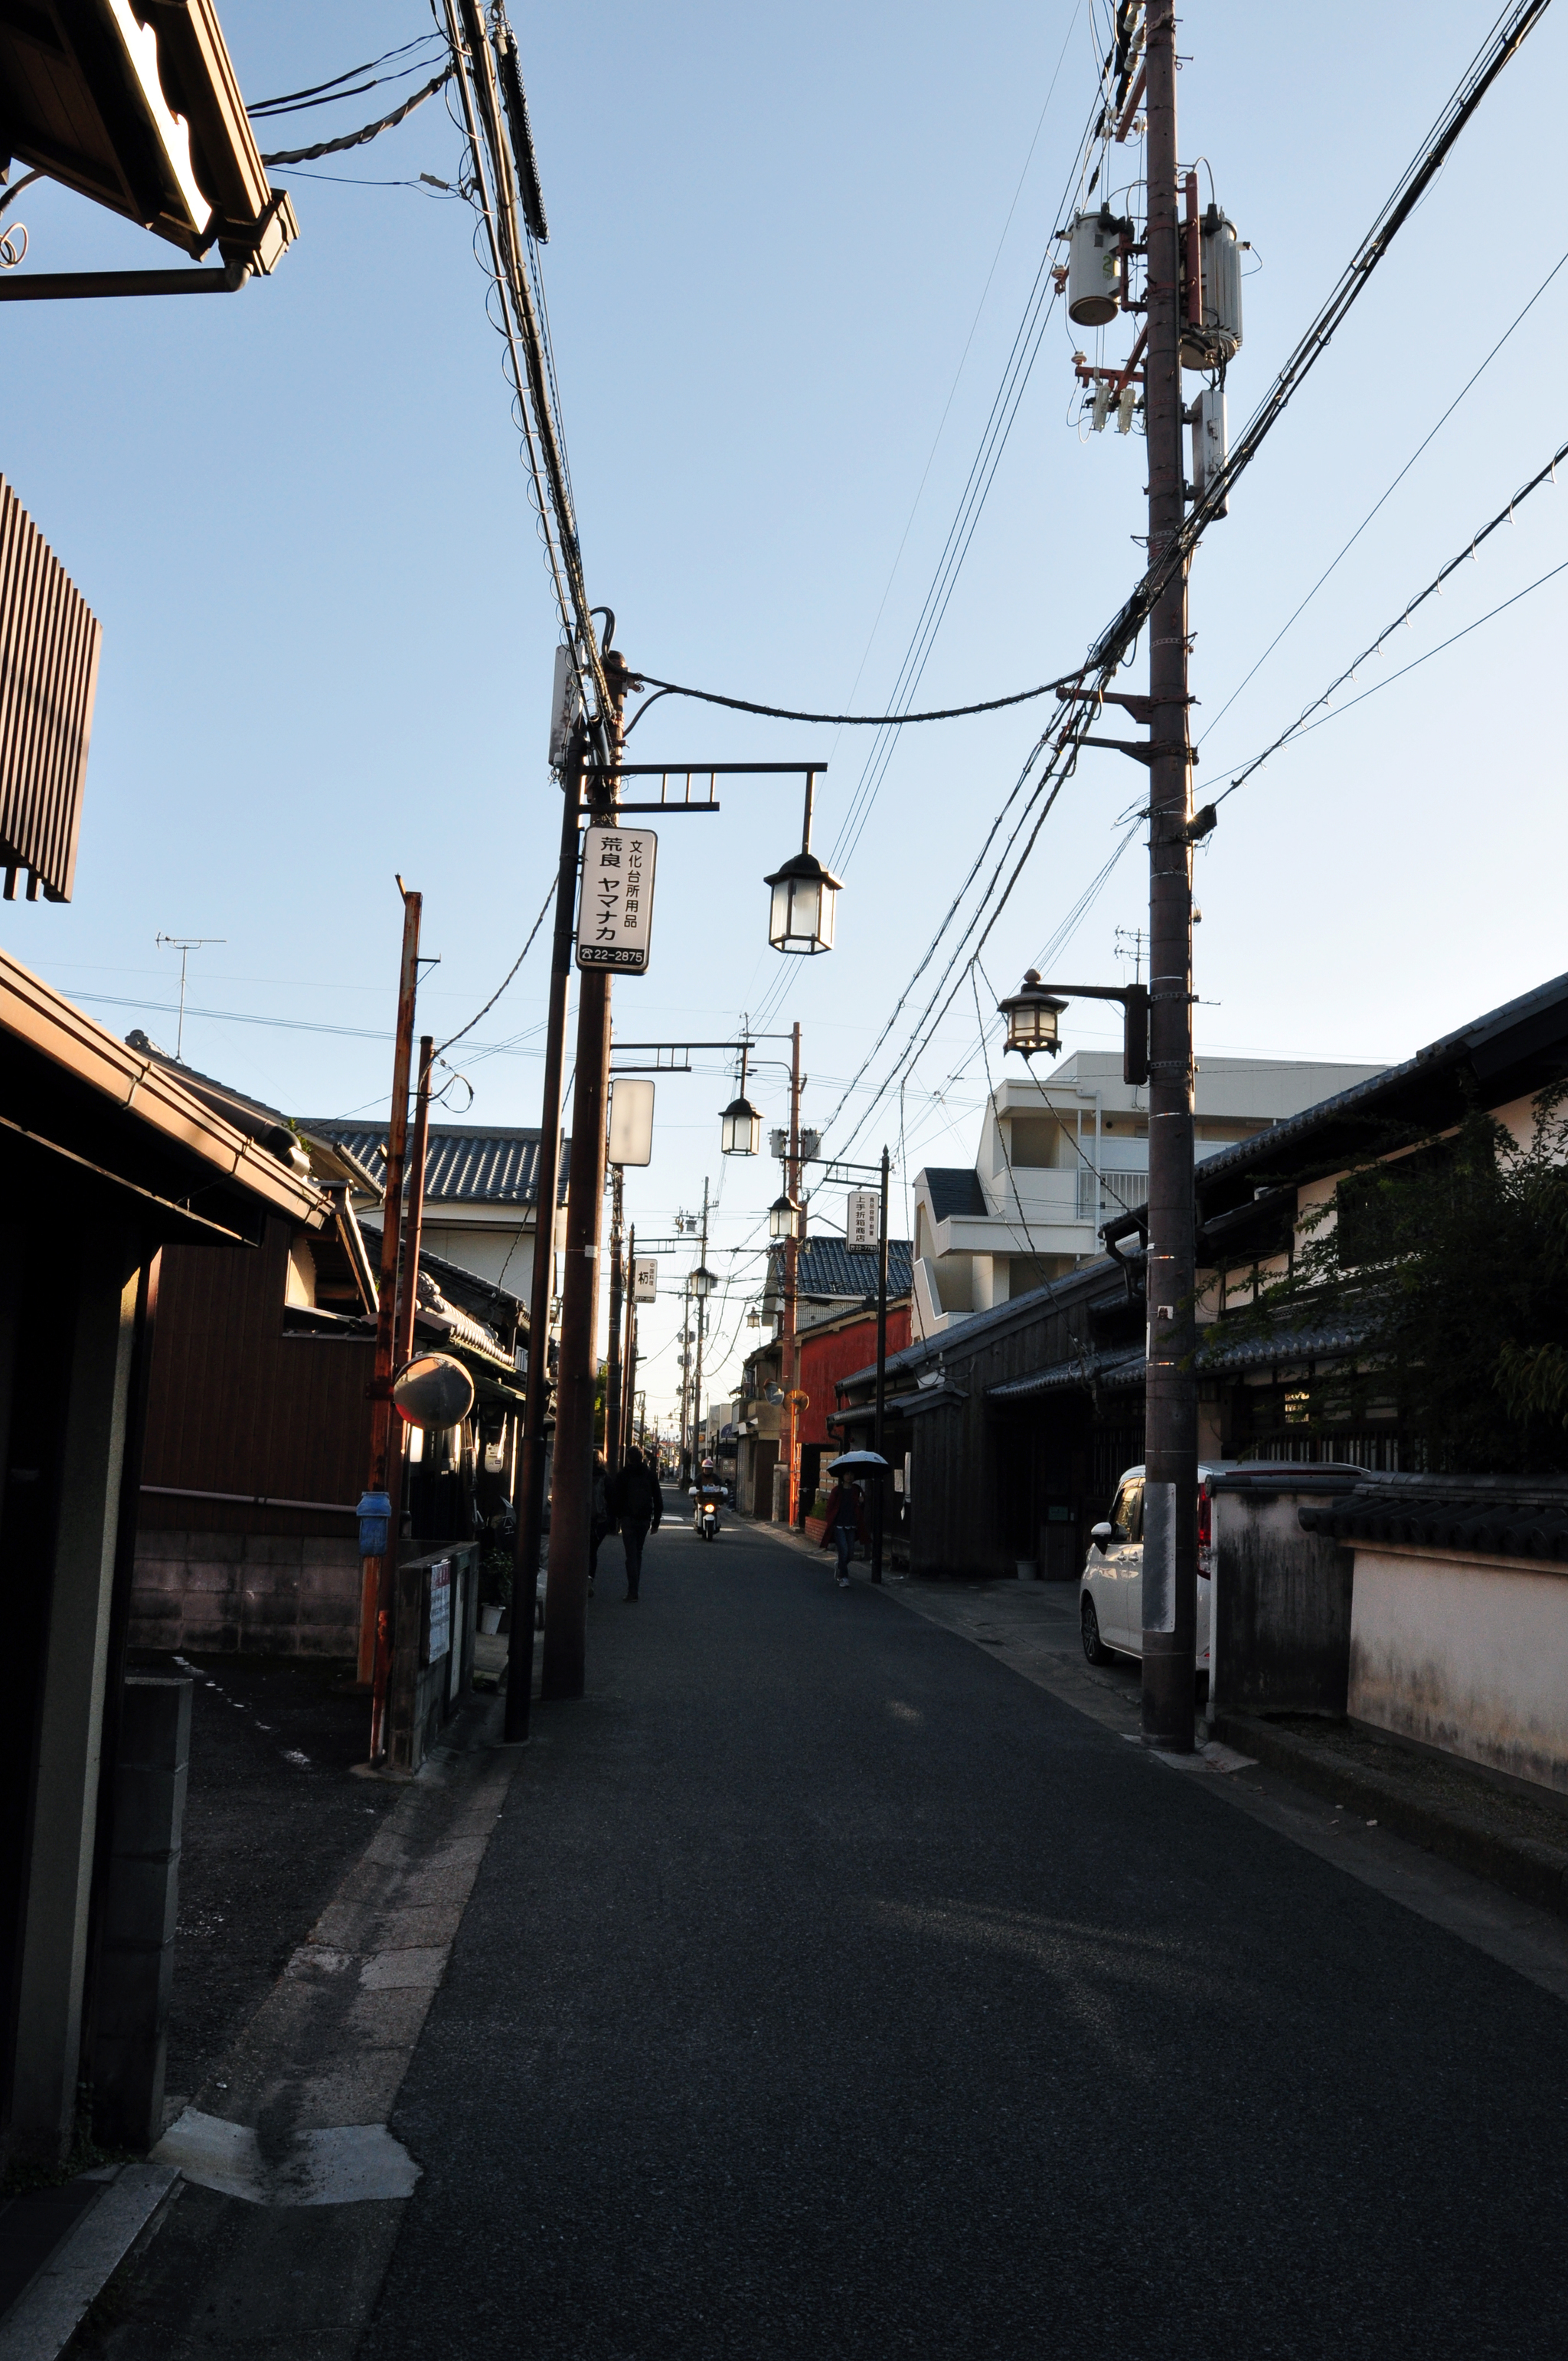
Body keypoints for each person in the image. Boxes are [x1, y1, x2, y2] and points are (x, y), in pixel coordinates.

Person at [609, 1446, 664, 1601]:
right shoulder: (650, 1475)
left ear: (628, 1458)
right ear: (642, 1458)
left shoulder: (623, 1475)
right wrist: (656, 1523)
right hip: (644, 1519)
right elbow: (658, 1500)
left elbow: (615, 1498)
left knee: (630, 1555)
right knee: (638, 1552)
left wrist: (617, 1517)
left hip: (627, 1518)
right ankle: (634, 1588)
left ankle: (633, 1590)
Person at [819, 1473, 869, 1587]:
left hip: (851, 1524)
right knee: (844, 1551)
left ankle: (840, 1565)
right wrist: (831, 1520)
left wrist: (862, 1501)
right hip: (839, 1525)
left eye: (851, 1474)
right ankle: (844, 1577)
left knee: (850, 1554)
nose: (849, 1477)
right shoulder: (837, 1490)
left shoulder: (857, 1489)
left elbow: (861, 1506)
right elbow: (830, 1507)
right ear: (843, 1477)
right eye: (847, 1474)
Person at [589, 1451, 611, 1597]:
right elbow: (612, 1499)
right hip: (600, 1521)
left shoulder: (581, 1475)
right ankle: (589, 1580)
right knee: (592, 1551)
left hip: (582, 1519)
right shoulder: (605, 1478)